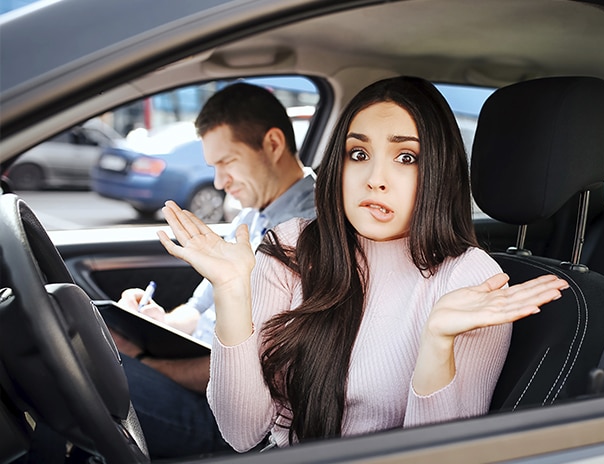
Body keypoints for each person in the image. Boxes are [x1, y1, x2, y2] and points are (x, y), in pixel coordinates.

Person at [157, 76, 569, 451]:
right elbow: (242, 433)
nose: (375, 178)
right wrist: (232, 293)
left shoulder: (471, 280)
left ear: (439, 171)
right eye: (358, 153)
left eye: (406, 157)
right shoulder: (291, 246)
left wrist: (436, 345)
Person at [111, 82, 316, 458]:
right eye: (214, 167)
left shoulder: (308, 233)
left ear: (272, 144)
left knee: (85, 370)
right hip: (200, 380)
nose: (220, 183)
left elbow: (252, 365)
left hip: (229, 418)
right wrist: (158, 322)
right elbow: (199, 308)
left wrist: (148, 364)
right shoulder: (253, 215)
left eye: (227, 163)